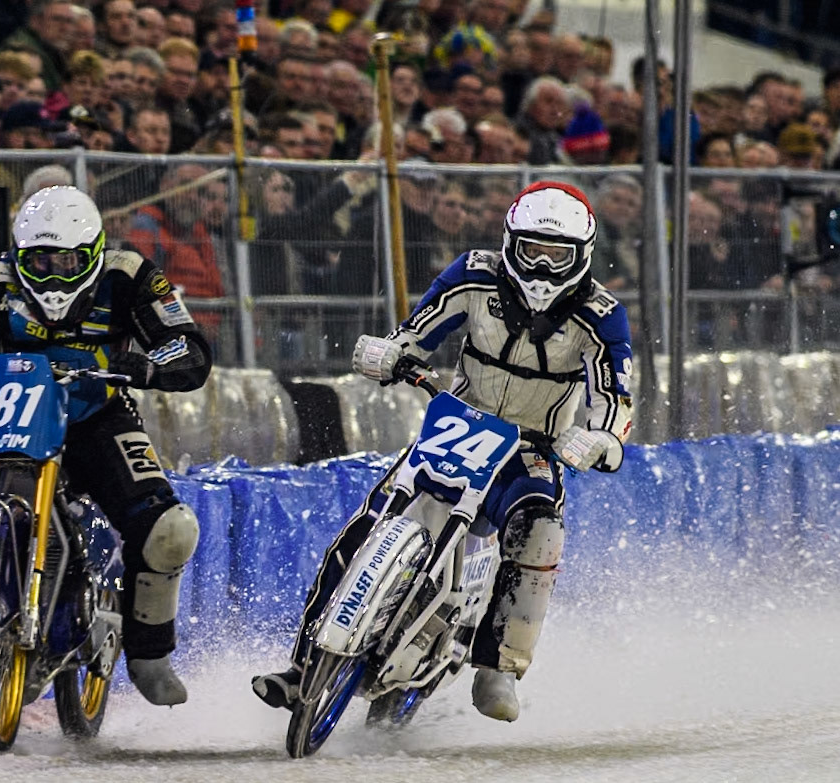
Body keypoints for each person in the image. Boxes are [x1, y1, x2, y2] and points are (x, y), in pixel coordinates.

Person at [252, 181, 635, 723]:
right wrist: (393, 352)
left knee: (540, 526)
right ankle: (303, 662)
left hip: (535, 443)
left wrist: (602, 438)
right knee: (375, 514)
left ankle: (499, 665)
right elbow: (418, 328)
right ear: (510, 244)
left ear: (582, 257)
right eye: (532, 252)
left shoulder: (601, 314)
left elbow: (614, 394)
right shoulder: (474, 273)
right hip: (460, 421)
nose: (543, 270)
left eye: (558, 257)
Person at [0, 185, 211, 711]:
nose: (54, 273)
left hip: (99, 415)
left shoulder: (130, 273)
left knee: (170, 528)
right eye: (39, 261)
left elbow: (188, 344)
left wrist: (150, 365)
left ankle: (150, 654)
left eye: (66, 260)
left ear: (91, 253)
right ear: (19, 256)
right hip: (17, 414)